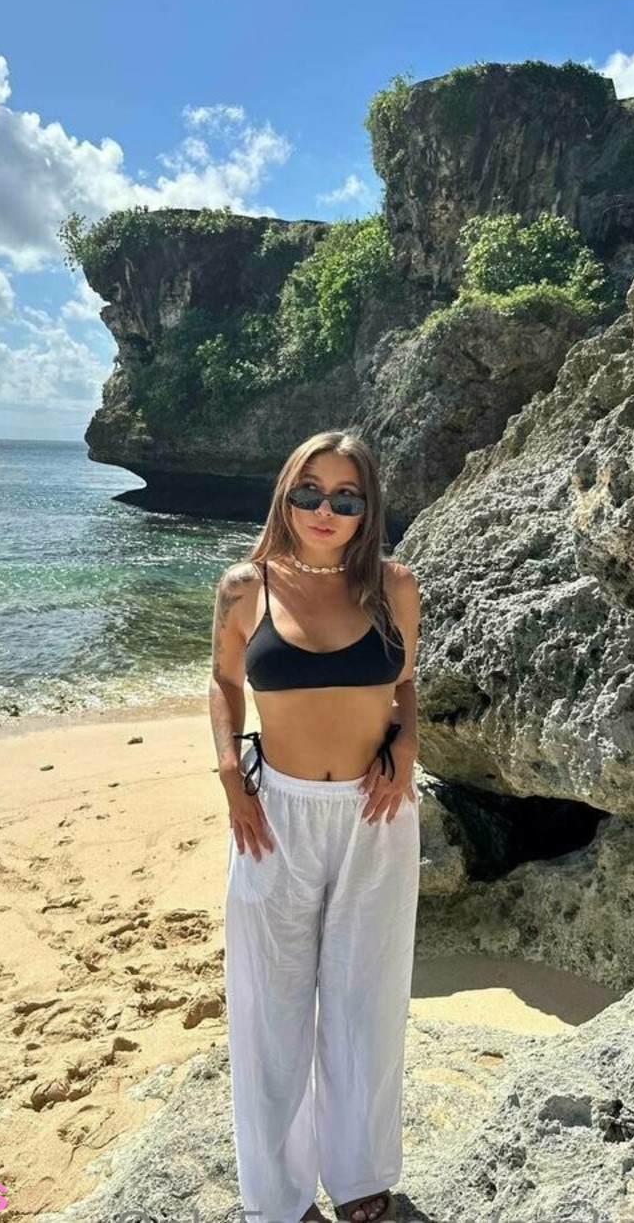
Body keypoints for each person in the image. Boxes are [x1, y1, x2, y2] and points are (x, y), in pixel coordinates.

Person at [210, 429, 423, 1223]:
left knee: (368, 997)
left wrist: (408, 743)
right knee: (271, 1006)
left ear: (368, 507)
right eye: (308, 492)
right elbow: (223, 683)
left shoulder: (395, 586)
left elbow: (404, 684)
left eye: (344, 496)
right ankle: (277, 1194)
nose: (323, 509)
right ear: (285, 496)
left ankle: (360, 1171)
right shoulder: (246, 587)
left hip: (377, 816)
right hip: (275, 814)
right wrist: (230, 774)